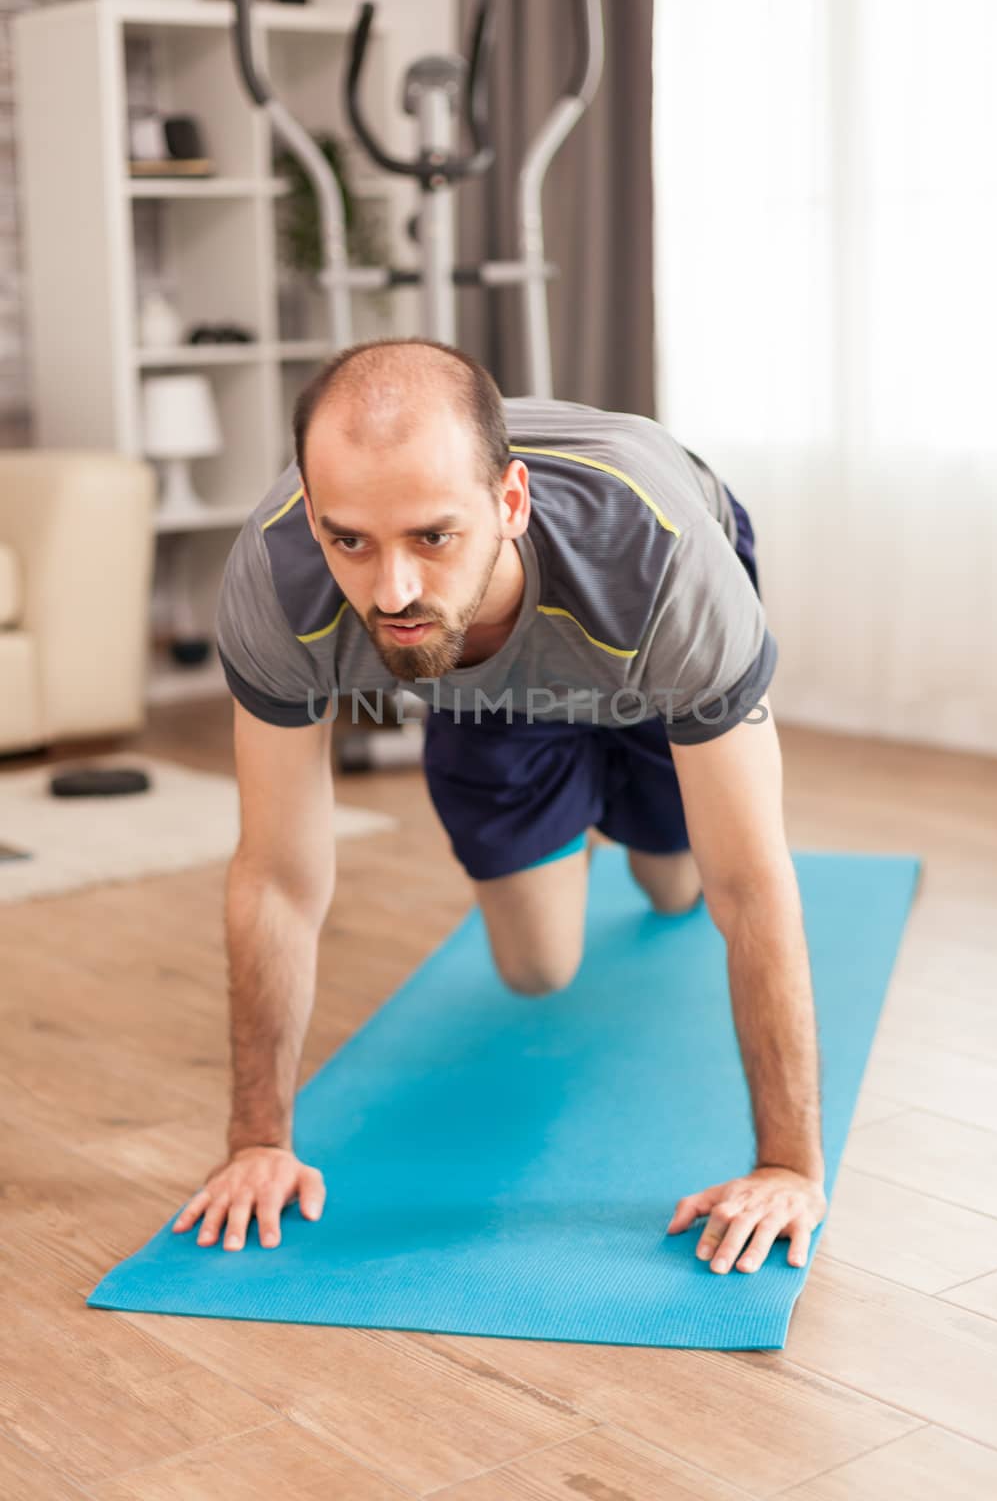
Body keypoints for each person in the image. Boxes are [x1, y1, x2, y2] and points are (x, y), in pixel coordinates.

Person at [172, 338, 827, 1277]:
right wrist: (255, 1141)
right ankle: (566, 785)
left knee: (681, 881)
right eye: (349, 538)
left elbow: (752, 884)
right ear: (311, 512)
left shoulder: (665, 566)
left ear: (509, 504)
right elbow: (276, 876)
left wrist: (787, 1165)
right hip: (481, 673)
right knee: (534, 968)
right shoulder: (276, 581)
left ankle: (627, 791)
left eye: (431, 536)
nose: (390, 590)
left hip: (634, 640)